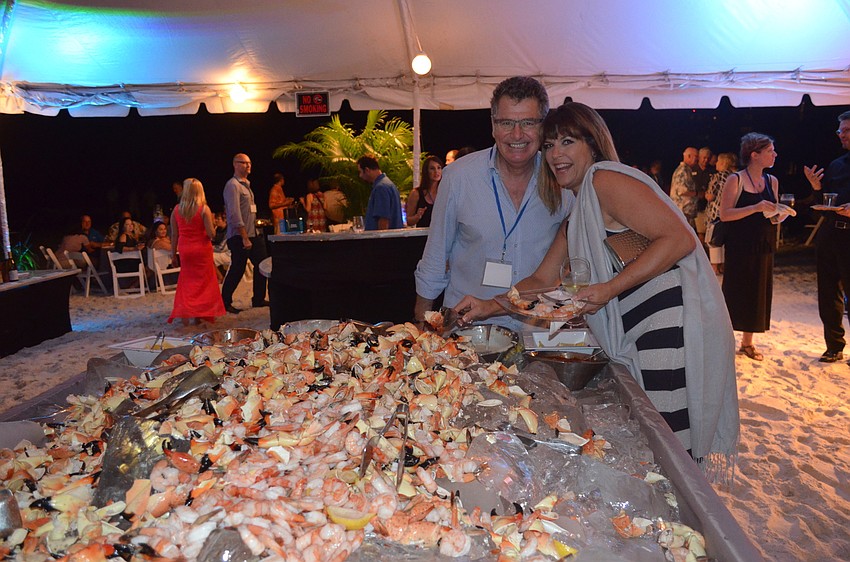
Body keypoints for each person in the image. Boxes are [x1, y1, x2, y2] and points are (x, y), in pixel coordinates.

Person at [457, 102, 739, 463]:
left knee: (672, 447)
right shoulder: (578, 213)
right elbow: (542, 279)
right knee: (661, 441)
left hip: (669, 326)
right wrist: (488, 305)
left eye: (567, 142)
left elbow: (679, 239)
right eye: (549, 145)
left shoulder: (605, 180)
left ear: (593, 144)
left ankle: (695, 500)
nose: (555, 154)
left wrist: (609, 289)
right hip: (642, 329)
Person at [414, 76, 572, 329]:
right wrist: (421, 321)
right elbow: (435, 256)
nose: (517, 134)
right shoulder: (458, 178)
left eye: (528, 122)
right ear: (493, 125)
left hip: (537, 331)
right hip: (466, 331)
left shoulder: (563, 180)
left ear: (543, 126)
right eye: (506, 122)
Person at [719, 133, 780, 362]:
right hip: (740, 245)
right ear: (754, 155)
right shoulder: (736, 180)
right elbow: (725, 214)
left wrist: (780, 214)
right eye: (770, 151)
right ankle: (724, 341)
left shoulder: (772, 181)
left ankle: (747, 343)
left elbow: (772, 214)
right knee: (735, 292)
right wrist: (755, 207)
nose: (774, 155)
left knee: (758, 293)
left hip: (763, 243)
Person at [803, 110, 850, 363]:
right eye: (840, 131)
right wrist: (817, 187)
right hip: (831, 234)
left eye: (847, 130)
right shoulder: (837, 164)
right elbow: (824, 205)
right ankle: (834, 346)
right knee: (828, 293)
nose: (842, 135)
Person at [168, 178, 225, 326]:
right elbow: (211, 234)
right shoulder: (204, 209)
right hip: (201, 249)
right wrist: (215, 225)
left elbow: (174, 234)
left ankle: (188, 311)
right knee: (205, 281)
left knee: (187, 281)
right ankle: (201, 314)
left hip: (185, 249)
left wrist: (173, 254)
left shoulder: (176, 210)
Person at [221, 153, 268, 314]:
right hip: (239, 235)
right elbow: (234, 214)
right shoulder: (233, 185)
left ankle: (258, 298)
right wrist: (244, 236)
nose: (248, 165)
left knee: (262, 264)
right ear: (235, 164)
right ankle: (225, 301)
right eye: (243, 163)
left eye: (249, 163)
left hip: (253, 233)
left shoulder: (246, 185)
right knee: (238, 268)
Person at [705, 152, 738, 275]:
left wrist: (706, 194)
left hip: (716, 213)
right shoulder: (734, 176)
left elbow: (711, 196)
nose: (716, 164)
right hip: (730, 212)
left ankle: (714, 267)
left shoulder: (718, 176)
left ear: (723, 163)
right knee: (724, 241)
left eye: (718, 162)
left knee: (713, 240)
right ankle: (723, 266)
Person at [356, 155, 403, 230]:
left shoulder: (381, 188)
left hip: (382, 236)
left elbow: (383, 220)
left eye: (360, 172)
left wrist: (380, 237)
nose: (360, 176)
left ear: (367, 170)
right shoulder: (388, 184)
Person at [405, 155, 443, 227]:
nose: (436, 171)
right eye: (432, 168)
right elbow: (409, 221)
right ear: (426, 171)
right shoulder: (416, 193)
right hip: (423, 233)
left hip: (442, 233)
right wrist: (417, 216)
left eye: (439, 168)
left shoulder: (445, 192)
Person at [670, 147, 699, 231]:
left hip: (685, 213)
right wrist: (697, 194)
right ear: (689, 156)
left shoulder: (687, 170)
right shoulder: (683, 170)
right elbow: (681, 191)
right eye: (696, 156)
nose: (698, 159)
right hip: (683, 212)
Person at [212, 211, 231, 282]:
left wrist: (209, 248)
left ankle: (220, 277)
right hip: (221, 251)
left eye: (218, 219)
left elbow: (221, 248)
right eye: (215, 218)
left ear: (224, 220)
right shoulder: (218, 229)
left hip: (228, 254)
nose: (216, 220)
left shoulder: (228, 231)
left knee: (208, 258)